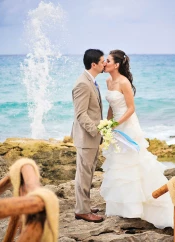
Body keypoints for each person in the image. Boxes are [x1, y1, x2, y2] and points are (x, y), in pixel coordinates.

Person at [100, 49, 175, 228]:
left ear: (117, 64)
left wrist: (116, 123)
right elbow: (112, 106)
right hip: (115, 125)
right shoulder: (108, 81)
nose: (104, 63)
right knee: (118, 165)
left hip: (128, 126)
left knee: (133, 164)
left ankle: (143, 206)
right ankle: (123, 208)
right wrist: (107, 124)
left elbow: (130, 109)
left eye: (108, 60)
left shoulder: (124, 82)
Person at [71, 49, 105, 223]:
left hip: (91, 137)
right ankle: (82, 210)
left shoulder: (91, 81)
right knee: (84, 174)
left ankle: (84, 205)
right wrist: (96, 130)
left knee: (88, 173)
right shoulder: (83, 84)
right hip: (86, 137)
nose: (104, 64)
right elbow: (81, 114)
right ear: (94, 64)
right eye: (102, 61)